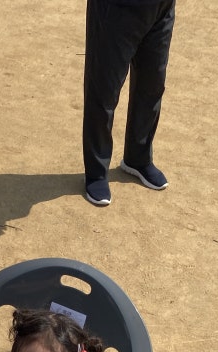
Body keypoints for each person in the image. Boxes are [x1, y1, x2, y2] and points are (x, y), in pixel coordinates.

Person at [82, 0, 176, 206]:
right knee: (104, 90)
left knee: (152, 83)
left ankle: (138, 158)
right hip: (116, 8)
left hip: (161, 7)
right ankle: (96, 173)